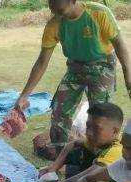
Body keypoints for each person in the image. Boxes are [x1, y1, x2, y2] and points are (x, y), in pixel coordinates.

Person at [15, 0, 131, 158]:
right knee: (59, 109)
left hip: (102, 65)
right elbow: (42, 62)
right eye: (53, 10)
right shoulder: (54, 24)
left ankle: (100, 156)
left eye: (60, 10)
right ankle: (61, 153)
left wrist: (128, 78)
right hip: (75, 66)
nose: (57, 15)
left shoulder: (99, 13)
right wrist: (24, 95)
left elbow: (121, 47)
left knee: (100, 115)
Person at [40, 102, 123, 182]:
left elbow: (86, 178)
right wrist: (54, 167)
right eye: (88, 126)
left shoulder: (116, 151)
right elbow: (72, 145)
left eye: (96, 128)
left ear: (115, 131)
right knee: (77, 154)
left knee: (83, 181)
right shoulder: (97, 142)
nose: (89, 132)